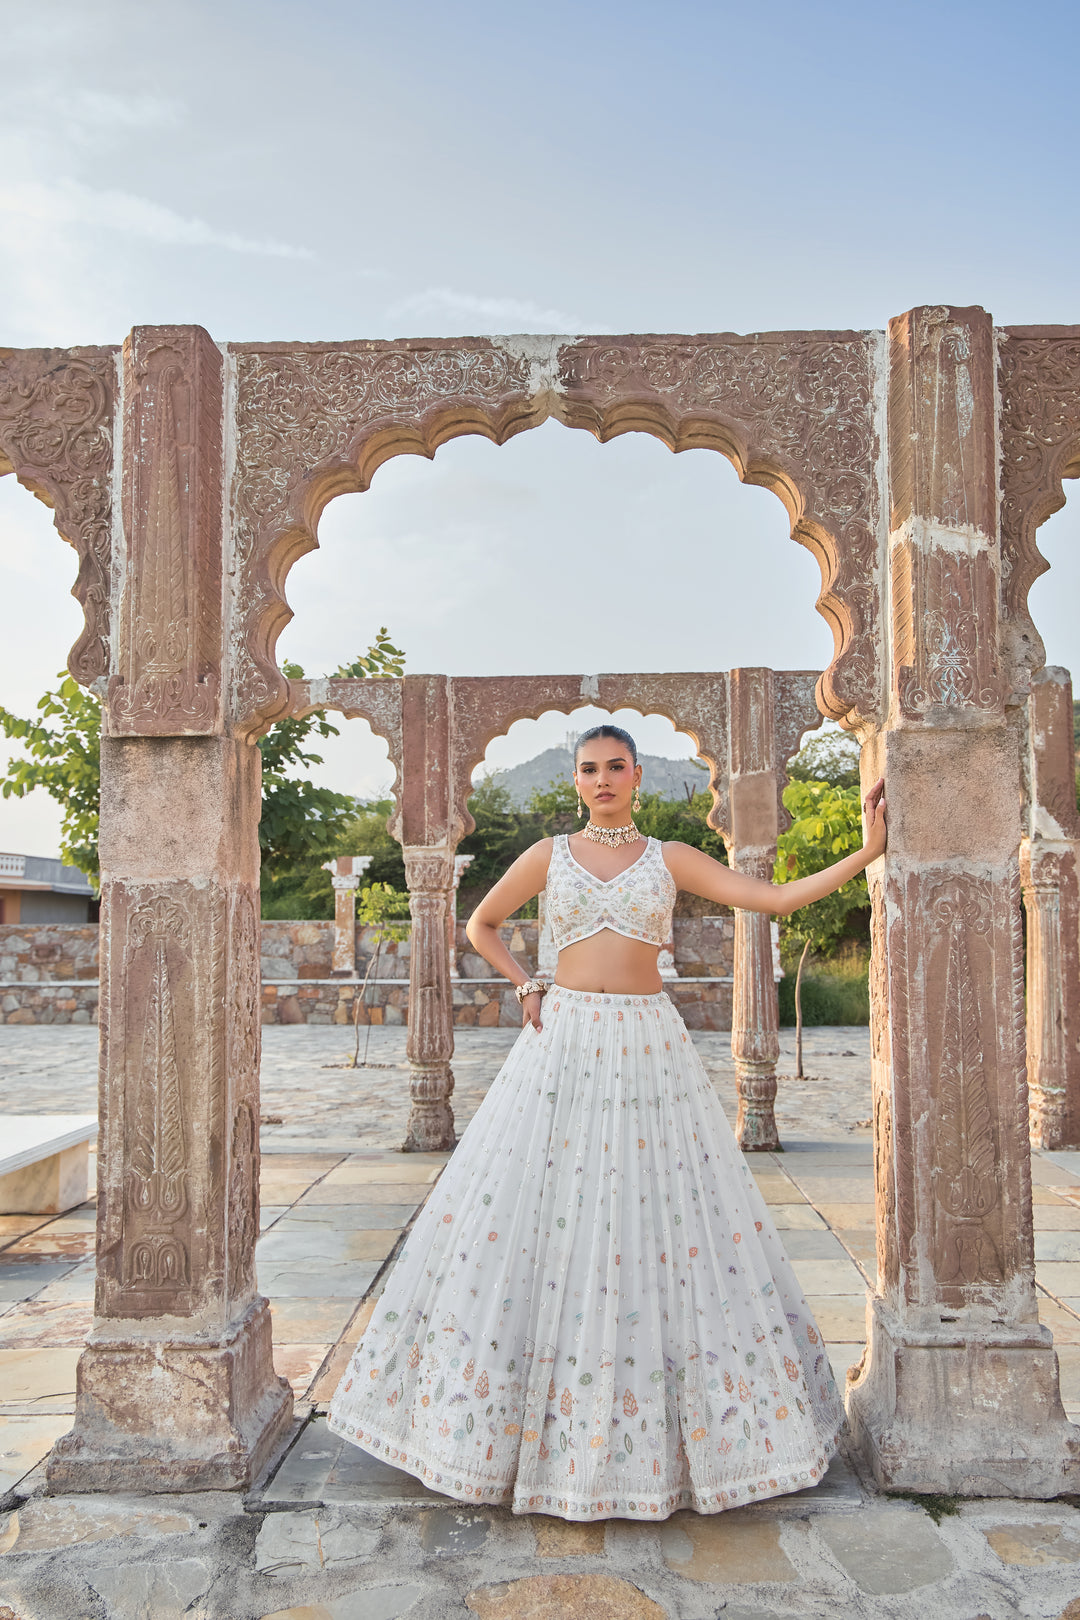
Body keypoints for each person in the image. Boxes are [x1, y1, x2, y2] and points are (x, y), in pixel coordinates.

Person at [328, 724, 887, 1521]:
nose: (602, 780)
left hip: (647, 1046)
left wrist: (869, 850)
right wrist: (526, 984)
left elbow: (775, 899)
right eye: (589, 769)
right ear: (575, 780)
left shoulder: (670, 859)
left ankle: (665, 1441)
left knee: (653, 1222)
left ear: (635, 776)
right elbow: (479, 924)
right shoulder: (549, 856)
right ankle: (493, 1432)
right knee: (542, 1220)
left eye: (615, 767)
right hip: (563, 1047)